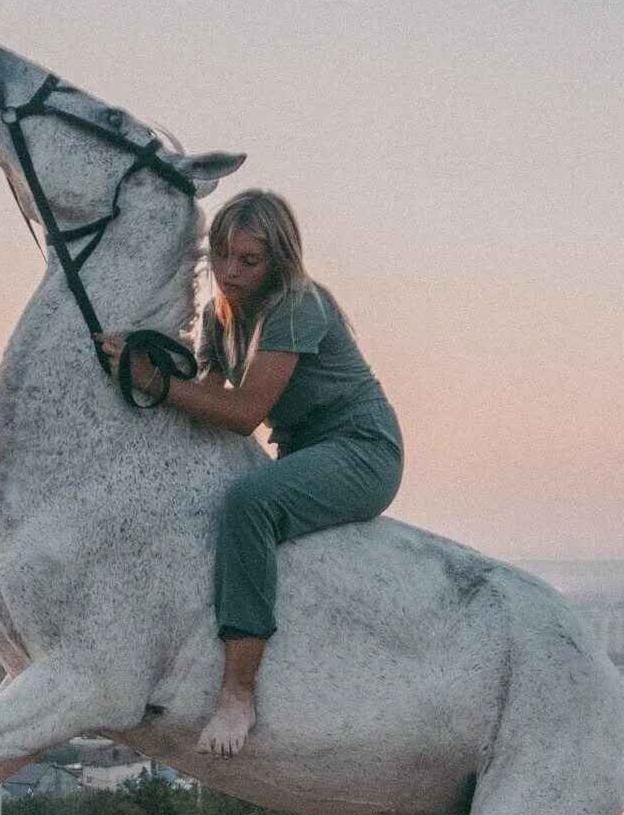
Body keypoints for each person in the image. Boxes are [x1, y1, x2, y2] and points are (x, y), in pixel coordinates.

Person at [100, 189, 403, 757]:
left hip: (362, 447)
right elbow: (206, 398)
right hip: (302, 450)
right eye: (221, 256)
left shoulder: (299, 305)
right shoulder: (223, 315)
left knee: (249, 505)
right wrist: (148, 363)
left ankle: (238, 692)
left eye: (249, 261)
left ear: (279, 261)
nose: (230, 273)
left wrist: (154, 383)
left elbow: (242, 415)